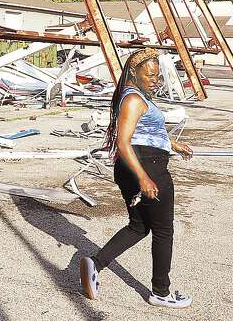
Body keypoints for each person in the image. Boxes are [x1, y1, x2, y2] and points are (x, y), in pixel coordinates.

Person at [79, 48, 194, 308]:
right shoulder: (133, 99)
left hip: (141, 163)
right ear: (134, 72)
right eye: (150, 74)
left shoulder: (139, 97)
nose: (155, 79)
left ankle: (95, 264)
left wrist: (173, 144)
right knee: (164, 230)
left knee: (139, 226)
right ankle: (161, 292)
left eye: (157, 75)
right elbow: (123, 142)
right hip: (147, 167)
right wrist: (144, 177)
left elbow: (148, 132)